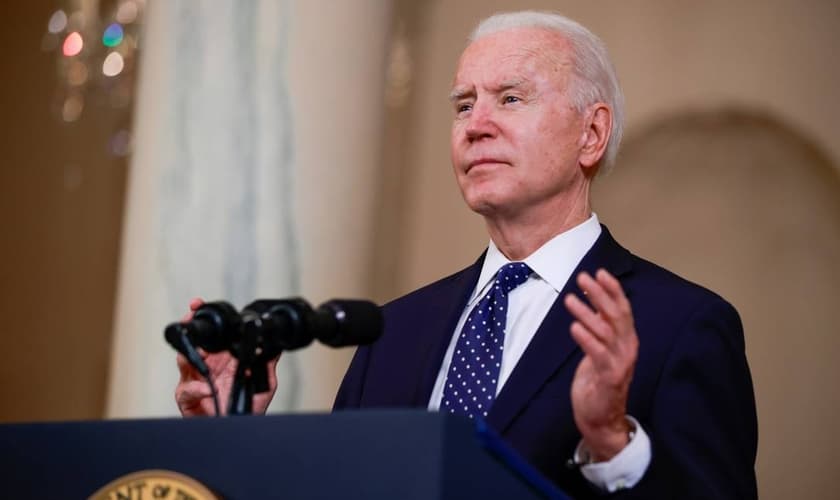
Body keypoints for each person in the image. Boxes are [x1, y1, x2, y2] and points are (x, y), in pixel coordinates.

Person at [175, 11, 758, 499]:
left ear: (591, 134)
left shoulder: (678, 324)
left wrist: (613, 444)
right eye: (462, 105)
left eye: (511, 98)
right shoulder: (392, 332)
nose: (476, 126)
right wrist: (233, 439)